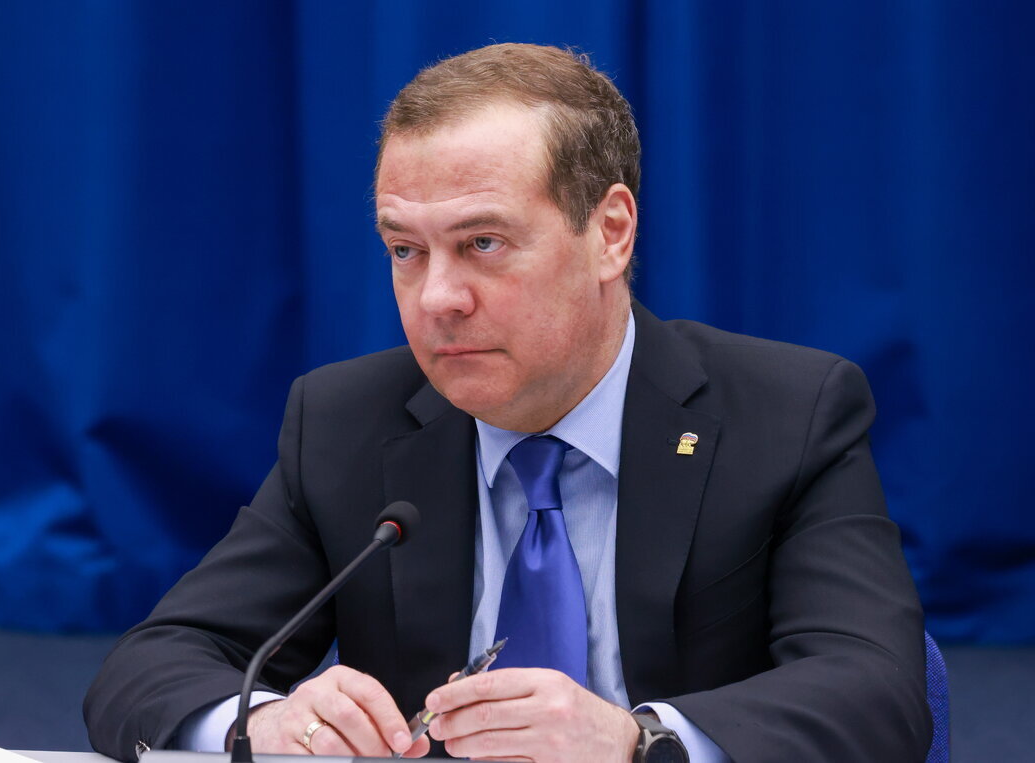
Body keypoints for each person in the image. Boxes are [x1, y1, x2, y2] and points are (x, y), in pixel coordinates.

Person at [84, 43, 931, 762]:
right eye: (406, 250)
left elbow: (876, 689)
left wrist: (637, 740)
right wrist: (262, 719)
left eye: (482, 242)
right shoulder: (346, 422)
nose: (437, 298)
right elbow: (154, 662)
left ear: (610, 233)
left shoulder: (787, 414)